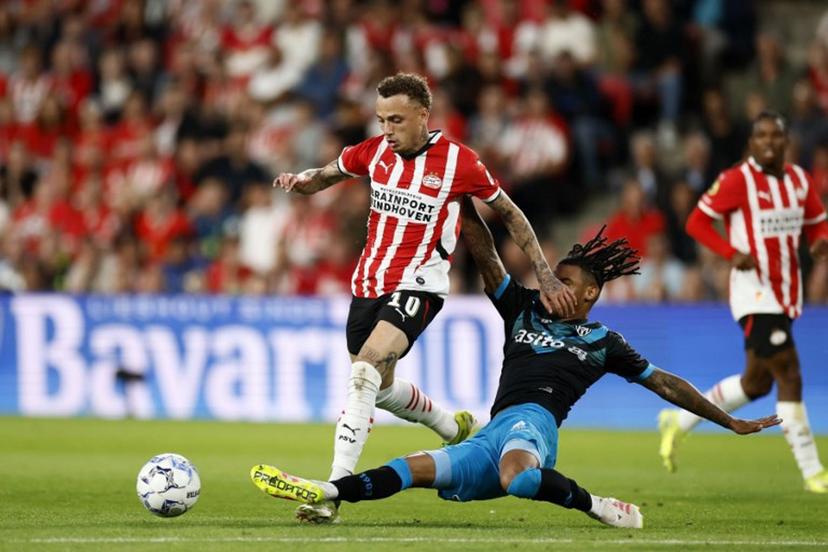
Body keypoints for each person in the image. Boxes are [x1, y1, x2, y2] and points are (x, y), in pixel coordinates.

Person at [249, 205, 779, 528]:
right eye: (548, 275)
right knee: (413, 468)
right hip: (491, 430)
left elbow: (664, 382)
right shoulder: (521, 306)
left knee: (519, 478)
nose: (550, 284)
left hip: (534, 427)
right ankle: (328, 492)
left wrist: (728, 419)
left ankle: (597, 506)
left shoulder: (603, 340)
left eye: (563, 280)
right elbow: (486, 256)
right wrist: (460, 200)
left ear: (590, 292)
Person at [273, 73, 577, 523]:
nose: (387, 129)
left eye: (396, 120)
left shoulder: (460, 163)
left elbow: (510, 214)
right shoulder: (374, 152)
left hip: (420, 284)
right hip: (368, 284)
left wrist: (545, 275)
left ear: (422, 115)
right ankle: (450, 425)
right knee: (380, 388)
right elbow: (328, 174)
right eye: (380, 120)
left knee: (363, 371)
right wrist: (301, 181)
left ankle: (331, 492)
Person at [658, 111, 828, 493]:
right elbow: (696, 222)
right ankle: (813, 471)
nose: (769, 142)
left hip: (786, 290)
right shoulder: (737, 180)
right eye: (761, 136)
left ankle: (678, 420)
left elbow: (817, 220)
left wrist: (819, 240)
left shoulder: (800, 180)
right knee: (789, 372)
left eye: (776, 136)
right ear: (752, 144)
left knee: (756, 382)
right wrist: (730, 251)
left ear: (786, 142)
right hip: (754, 292)